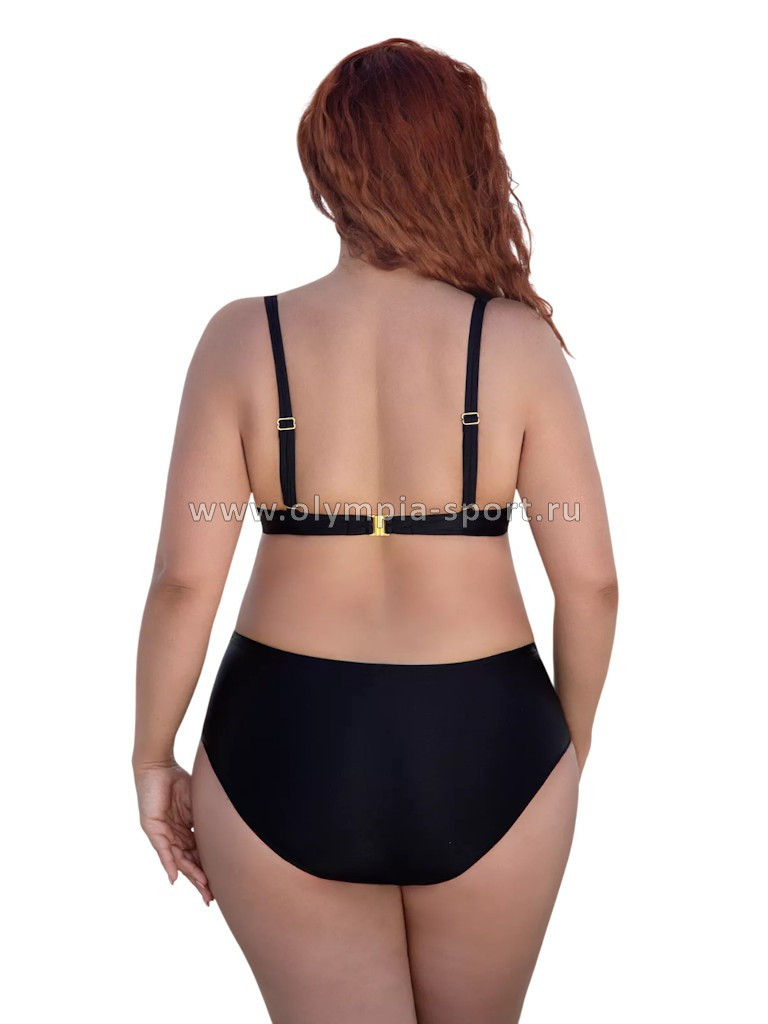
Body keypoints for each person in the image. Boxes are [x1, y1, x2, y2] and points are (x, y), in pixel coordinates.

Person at [133, 37, 618, 1024]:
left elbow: (186, 581)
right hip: (491, 739)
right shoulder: (516, 343)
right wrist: (565, 749)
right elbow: (593, 585)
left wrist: (152, 755)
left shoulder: (243, 338)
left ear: (328, 166)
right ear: (467, 160)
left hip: (282, 740)